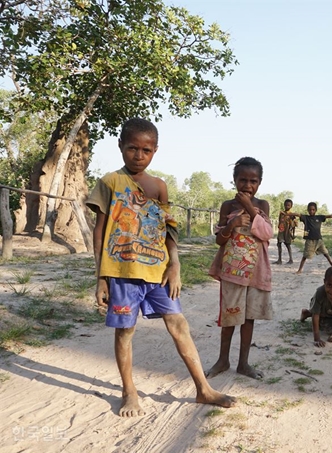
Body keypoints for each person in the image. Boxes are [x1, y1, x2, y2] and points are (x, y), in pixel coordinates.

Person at [86, 117, 235, 417]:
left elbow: (168, 230)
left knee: (179, 325)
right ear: (120, 146)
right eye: (132, 148)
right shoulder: (110, 183)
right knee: (125, 332)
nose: (138, 156)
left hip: (158, 271)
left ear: (155, 150)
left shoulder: (159, 186)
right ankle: (130, 392)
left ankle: (203, 389)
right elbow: (100, 231)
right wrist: (101, 277)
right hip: (122, 273)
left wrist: (175, 265)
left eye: (146, 150)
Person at [206, 157, 273, 380]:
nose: (247, 185)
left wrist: (249, 208)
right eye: (242, 180)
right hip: (232, 273)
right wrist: (232, 224)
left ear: (260, 183)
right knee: (229, 318)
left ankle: (243, 363)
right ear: (234, 180)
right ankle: (223, 360)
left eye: (253, 181)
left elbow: (266, 234)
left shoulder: (262, 206)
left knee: (248, 318)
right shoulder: (227, 206)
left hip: (255, 272)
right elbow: (220, 241)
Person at [284, 202, 332, 274]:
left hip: (319, 240)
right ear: (308, 210)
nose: (311, 211)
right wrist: (287, 214)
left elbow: (330, 216)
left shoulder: (319, 217)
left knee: (326, 254)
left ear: (316, 210)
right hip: (310, 241)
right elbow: (297, 214)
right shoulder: (306, 218)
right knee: (305, 256)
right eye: (310, 210)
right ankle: (299, 270)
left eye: (313, 210)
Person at [300, 266, 332, 347]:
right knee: (321, 318)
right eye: (329, 285)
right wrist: (317, 339)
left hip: (331, 311)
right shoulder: (320, 292)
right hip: (320, 307)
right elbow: (316, 315)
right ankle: (307, 313)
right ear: (324, 282)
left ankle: (308, 313)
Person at [274, 198, 297, 264]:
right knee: (279, 244)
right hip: (281, 231)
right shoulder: (281, 213)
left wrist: (293, 234)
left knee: (288, 245)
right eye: (286, 205)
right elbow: (280, 221)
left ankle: (291, 259)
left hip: (287, 232)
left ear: (291, 206)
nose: (287, 206)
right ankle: (279, 259)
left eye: (288, 205)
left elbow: (294, 225)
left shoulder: (292, 214)